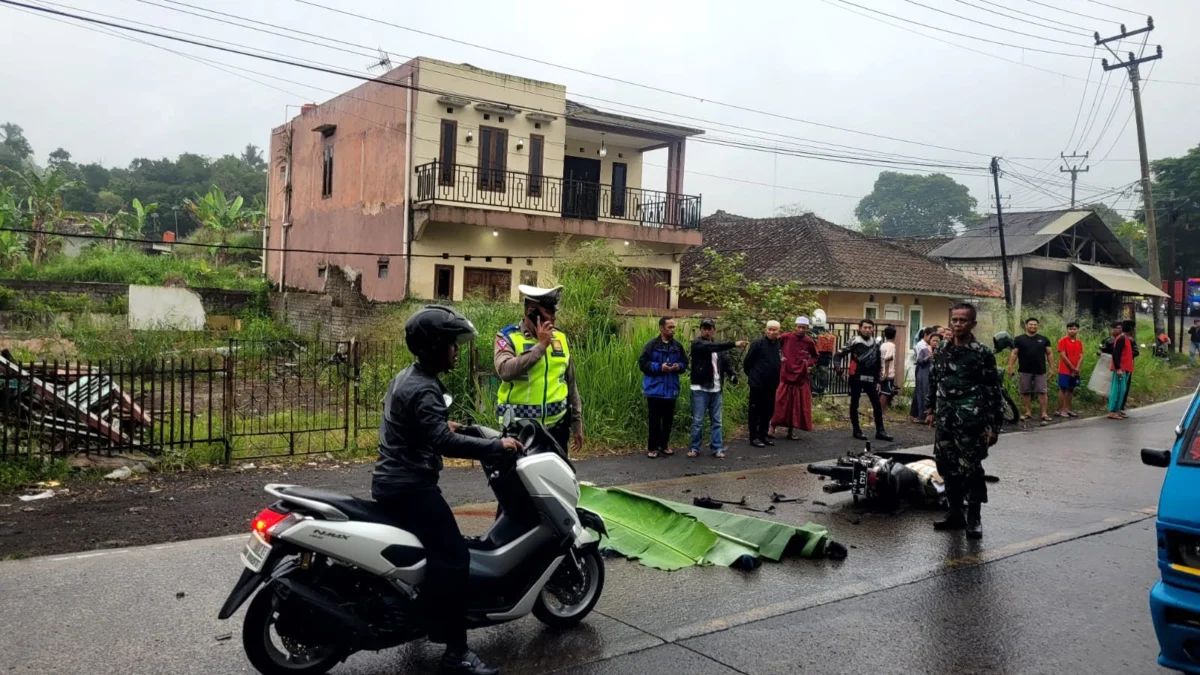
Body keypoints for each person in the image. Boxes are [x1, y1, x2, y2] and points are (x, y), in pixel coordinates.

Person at [373, 306, 524, 675]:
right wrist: (495, 446)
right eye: (452, 344)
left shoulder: (407, 377)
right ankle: (456, 654)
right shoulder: (423, 386)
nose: (457, 350)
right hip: (411, 487)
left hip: (392, 482)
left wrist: (445, 423)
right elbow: (441, 441)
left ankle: (425, 614)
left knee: (432, 552)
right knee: (455, 558)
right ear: (433, 345)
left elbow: (407, 420)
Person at [925, 303, 1002, 540]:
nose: (957, 324)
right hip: (945, 419)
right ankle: (955, 513)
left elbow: (993, 390)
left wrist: (993, 426)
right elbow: (934, 381)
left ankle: (974, 518)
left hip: (971, 421)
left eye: (963, 321)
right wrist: (930, 409)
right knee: (946, 467)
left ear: (972, 324)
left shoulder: (981, 353)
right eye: (955, 320)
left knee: (971, 470)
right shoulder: (941, 351)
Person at [494, 285, 583, 455]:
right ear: (531, 312)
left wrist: (576, 424)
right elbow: (505, 371)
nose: (554, 318)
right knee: (519, 481)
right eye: (548, 311)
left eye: (554, 311)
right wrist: (540, 346)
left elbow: (571, 384)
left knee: (556, 480)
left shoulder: (561, 338)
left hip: (557, 429)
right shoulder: (508, 337)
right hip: (519, 431)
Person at [688, 319, 746, 459]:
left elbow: (725, 363)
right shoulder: (698, 344)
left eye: (710, 328)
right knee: (698, 420)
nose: (707, 331)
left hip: (717, 388)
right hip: (700, 388)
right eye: (705, 328)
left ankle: (717, 448)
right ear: (700, 330)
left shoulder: (718, 349)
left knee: (717, 421)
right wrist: (733, 344)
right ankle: (695, 448)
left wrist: (732, 374)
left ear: (714, 330)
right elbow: (712, 347)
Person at [639, 317, 688, 459]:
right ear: (661, 328)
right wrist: (659, 367)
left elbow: (685, 363)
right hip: (655, 390)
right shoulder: (651, 346)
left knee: (668, 420)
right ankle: (653, 448)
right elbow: (643, 364)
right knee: (654, 420)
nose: (672, 330)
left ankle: (664, 445)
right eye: (670, 327)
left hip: (671, 389)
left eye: (674, 327)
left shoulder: (677, 346)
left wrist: (679, 366)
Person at [838, 318, 893, 442]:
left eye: (870, 328)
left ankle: (880, 431)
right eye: (865, 327)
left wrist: (879, 380)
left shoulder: (876, 342)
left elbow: (878, 361)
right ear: (860, 328)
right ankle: (856, 430)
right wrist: (839, 372)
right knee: (855, 403)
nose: (867, 330)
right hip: (856, 377)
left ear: (872, 329)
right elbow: (838, 355)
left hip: (871, 378)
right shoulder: (854, 341)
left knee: (877, 404)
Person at [772, 316, 818, 441]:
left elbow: (815, 356)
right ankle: (772, 428)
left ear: (807, 328)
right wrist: (779, 358)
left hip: (800, 377)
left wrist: (808, 365)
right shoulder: (786, 337)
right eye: (799, 327)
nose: (801, 330)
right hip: (786, 374)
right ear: (795, 327)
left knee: (796, 405)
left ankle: (790, 431)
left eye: (804, 328)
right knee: (780, 401)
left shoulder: (809, 341)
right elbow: (773, 346)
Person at [1007, 317, 1054, 425]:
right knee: (1025, 392)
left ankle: (1044, 414)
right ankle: (1028, 412)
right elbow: (1014, 353)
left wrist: (1052, 368)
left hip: (1040, 370)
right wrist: (1010, 367)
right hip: (1024, 370)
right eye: (1030, 324)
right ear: (1026, 326)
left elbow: (1050, 354)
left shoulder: (1044, 339)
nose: (1033, 326)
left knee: (1042, 392)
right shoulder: (1019, 339)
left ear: (1038, 326)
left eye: (1035, 324)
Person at [743, 320, 782, 448]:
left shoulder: (778, 345)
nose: (771, 332)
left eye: (774, 330)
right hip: (757, 383)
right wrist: (753, 376)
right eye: (769, 329)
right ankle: (753, 437)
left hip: (771, 384)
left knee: (768, 411)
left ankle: (763, 435)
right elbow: (747, 363)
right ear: (765, 330)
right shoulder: (757, 344)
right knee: (755, 411)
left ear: (778, 332)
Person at [1108, 319, 1137, 420]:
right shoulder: (1121, 339)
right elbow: (1116, 354)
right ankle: (1112, 411)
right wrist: (1118, 368)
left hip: (1126, 368)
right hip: (1121, 368)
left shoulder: (1127, 339)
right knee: (1117, 389)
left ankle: (1117, 410)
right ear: (1131, 328)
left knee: (1122, 390)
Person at [909, 328, 939, 423]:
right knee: (923, 394)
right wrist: (927, 358)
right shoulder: (924, 350)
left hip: (934, 376)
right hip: (924, 375)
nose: (935, 343)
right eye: (933, 340)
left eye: (938, 341)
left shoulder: (941, 352)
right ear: (929, 341)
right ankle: (922, 416)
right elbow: (919, 362)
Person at [1056, 321, 1083, 419]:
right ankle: (1060, 409)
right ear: (1067, 330)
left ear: (1078, 330)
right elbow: (1063, 355)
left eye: (1074, 329)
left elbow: (1081, 356)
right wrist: (1072, 367)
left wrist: (1077, 368)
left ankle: (1067, 408)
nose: (1072, 331)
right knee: (1063, 389)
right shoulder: (1063, 341)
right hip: (1065, 370)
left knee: (1071, 389)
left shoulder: (1079, 342)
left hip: (1075, 370)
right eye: (1070, 329)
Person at [879, 325, 898, 408]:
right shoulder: (891, 345)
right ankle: (880, 413)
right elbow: (888, 358)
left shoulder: (883, 345)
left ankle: (880, 412)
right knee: (885, 393)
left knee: (882, 392)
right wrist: (886, 373)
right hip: (888, 373)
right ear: (894, 335)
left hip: (882, 371)